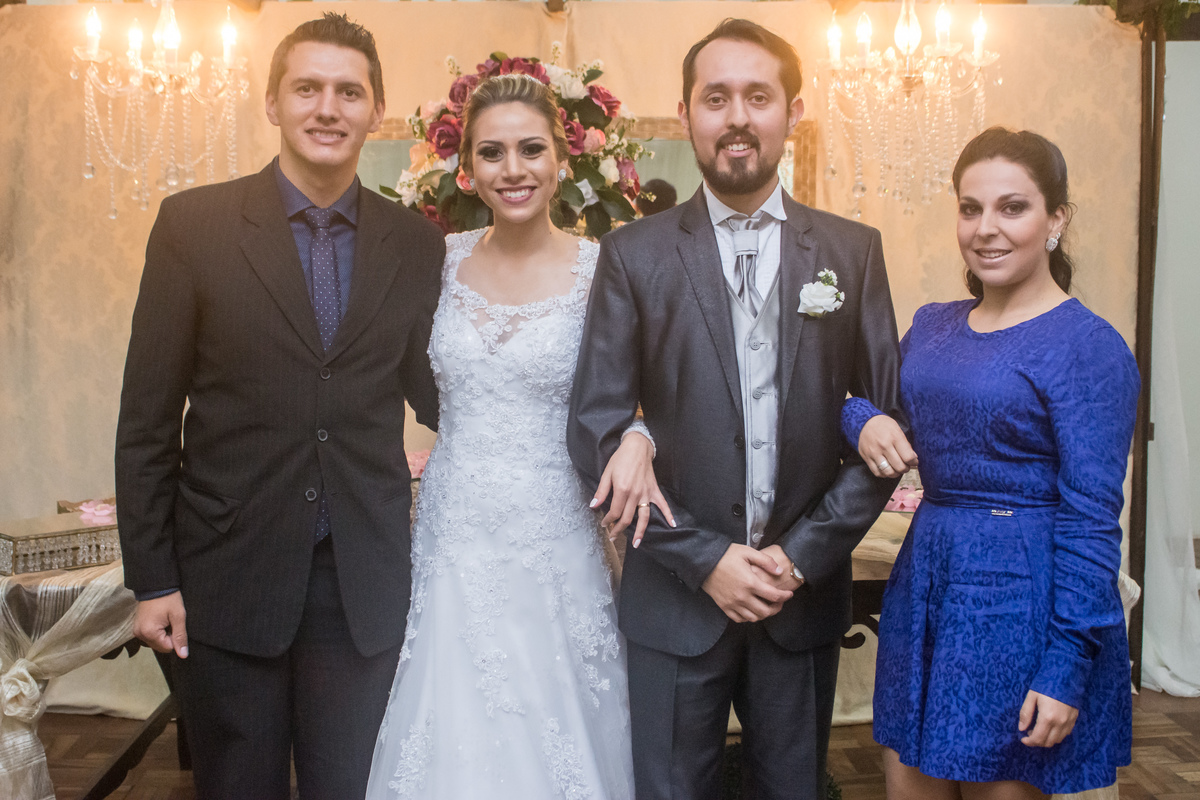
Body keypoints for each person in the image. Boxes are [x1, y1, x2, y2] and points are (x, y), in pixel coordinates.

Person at [567, 18, 905, 800]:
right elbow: (596, 431)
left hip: (800, 598)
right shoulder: (634, 254)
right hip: (673, 597)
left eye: (758, 96)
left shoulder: (851, 252)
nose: (738, 117)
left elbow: (884, 428)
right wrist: (706, 559)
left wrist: (798, 558)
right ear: (686, 113)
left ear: (792, 111)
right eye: (716, 98)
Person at [115, 15, 445, 798]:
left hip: (361, 582)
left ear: (376, 109)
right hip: (227, 577)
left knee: (352, 786)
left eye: (349, 92)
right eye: (307, 89)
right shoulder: (193, 226)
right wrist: (152, 580)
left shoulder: (415, 243)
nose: (328, 108)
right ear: (272, 103)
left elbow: (441, 394)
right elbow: (147, 423)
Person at [364, 73, 662, 800]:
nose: (513, 169)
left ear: (561, 158)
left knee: (556, 718)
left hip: (556, 527)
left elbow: (651, 386)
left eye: (531, 149)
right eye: (492, 152)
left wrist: (640, 436)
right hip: (454, 527)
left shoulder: (604, 268)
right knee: (450, 717)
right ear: (467, 166)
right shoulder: (438, 262)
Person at [844, 127, 1139, 798]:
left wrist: (1066, 666)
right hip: (926, 581)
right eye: (970, 208)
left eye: (1013, 207)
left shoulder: (1088, 347)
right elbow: (871, 406)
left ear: (1056, 219)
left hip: (1021, 604)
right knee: (906, 785)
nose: (986, 229)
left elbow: (1094, 523)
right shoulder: (934, 325)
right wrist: (864, 420)